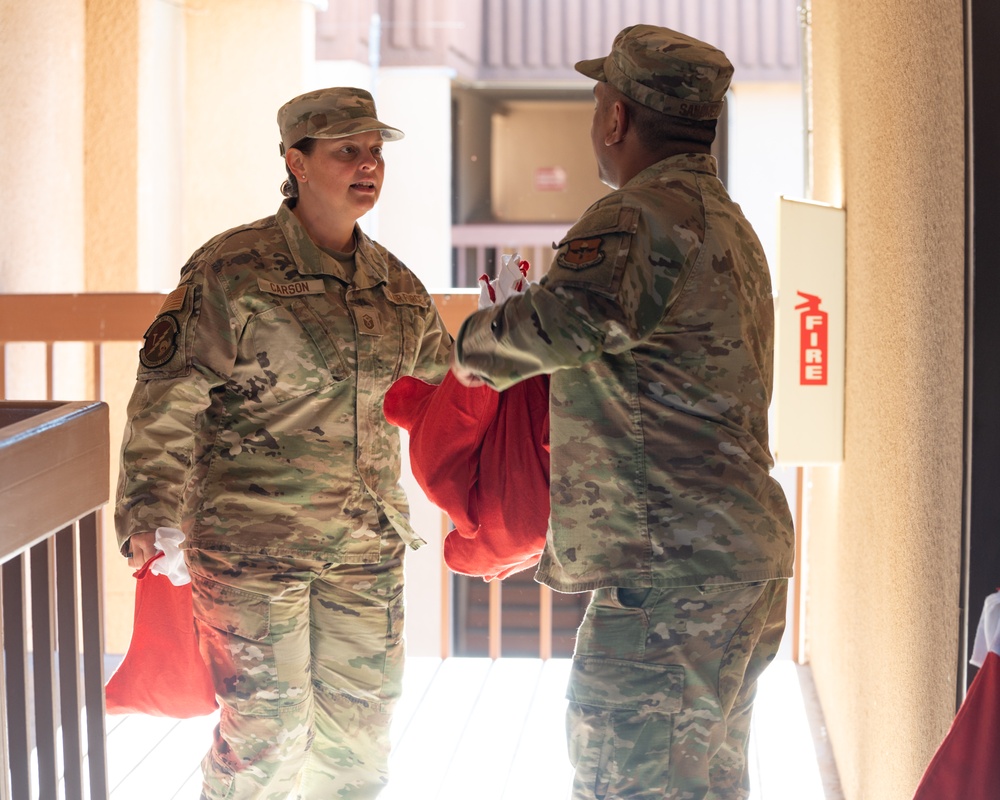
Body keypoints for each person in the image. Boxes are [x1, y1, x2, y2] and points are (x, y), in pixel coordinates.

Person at [451, 24, 795, 799]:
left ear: (616, 118)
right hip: (735, 558)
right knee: (704, 783)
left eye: (599, 99)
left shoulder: (638, 217)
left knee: (627, 781)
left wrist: (466, 344)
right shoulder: (729, 225)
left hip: (669, 568)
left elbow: (558, 326)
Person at [115, 87, 452, 799]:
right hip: (251, 547)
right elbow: (168, 395)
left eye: (375, 152)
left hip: (364, 548)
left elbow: (446, 403)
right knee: (266, 735)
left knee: (358, 738)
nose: (367, 166)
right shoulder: (233, 270)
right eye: (346, 151)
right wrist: (148, 512)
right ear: (296, 162)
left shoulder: (397, 286)